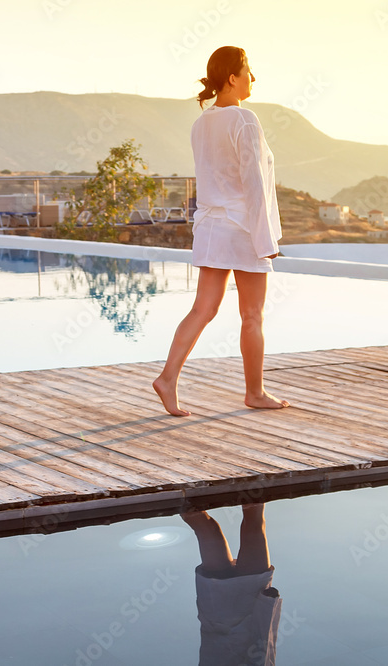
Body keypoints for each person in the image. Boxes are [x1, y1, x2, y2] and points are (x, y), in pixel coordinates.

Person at [153, 46, 290, 417]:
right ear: (232, 77)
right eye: (248, 71)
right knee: (252, 315)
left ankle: (167, 378)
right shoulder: (244, 120)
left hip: (211, 226)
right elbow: (254, 183)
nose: (253, 78)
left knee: (202, 308)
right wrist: (266, 239)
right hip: (241, 227)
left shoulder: (202, 123)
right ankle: (255, 392)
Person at [182, 504, 282, 665]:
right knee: (204, 526)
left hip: (244, 609)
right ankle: (181, 492)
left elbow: (262, 648)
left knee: (253, 522)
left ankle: (253, 482)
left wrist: (268, 603)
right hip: (218, 614)